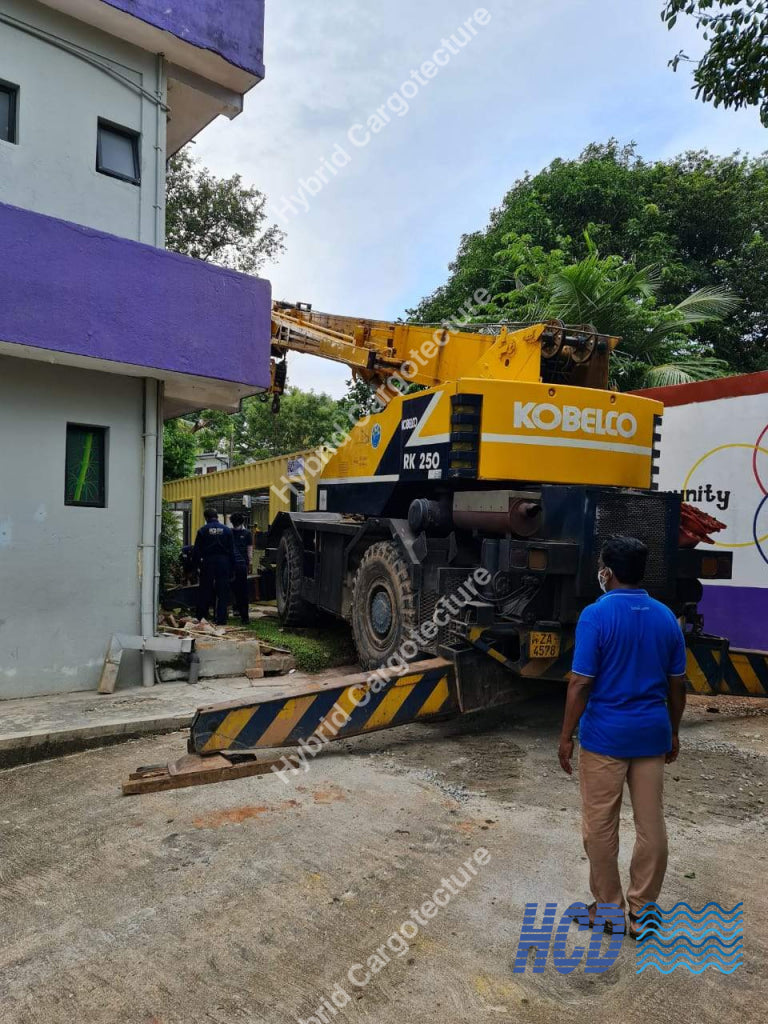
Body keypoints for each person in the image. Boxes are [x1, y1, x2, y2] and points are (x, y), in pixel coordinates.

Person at [558, 535, 687, 940]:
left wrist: (566, 737)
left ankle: (610, 909)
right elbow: (678, 684)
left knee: (599, 826)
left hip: (605, 738)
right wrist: (674, 730)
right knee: (652, 827)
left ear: (606, 573)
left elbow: (580, 683)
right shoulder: (666, 617)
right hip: (651, 735)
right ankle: (643, 912)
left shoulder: (595, 616)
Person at [192, 507, 236, 626]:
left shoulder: (203, 530)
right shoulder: (227, 530)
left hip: (208, 562)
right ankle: (221, 619)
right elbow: (232, 551)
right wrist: (232, 568)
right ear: (217, 517)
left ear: (206, 518)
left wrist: (196, 567)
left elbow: (196, 551)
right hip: (224, 562)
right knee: (222, 591)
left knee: (205, 589)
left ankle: (201, 616)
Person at [229, 512, 254, 625]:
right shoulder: (247, 533)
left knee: (230, 588)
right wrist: (250, 563)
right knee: (242, 590)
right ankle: (244, 617)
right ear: (243, 521)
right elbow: (249, 549)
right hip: (242, 564)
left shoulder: (228, 533)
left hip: (230, 565)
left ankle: (234, 609)